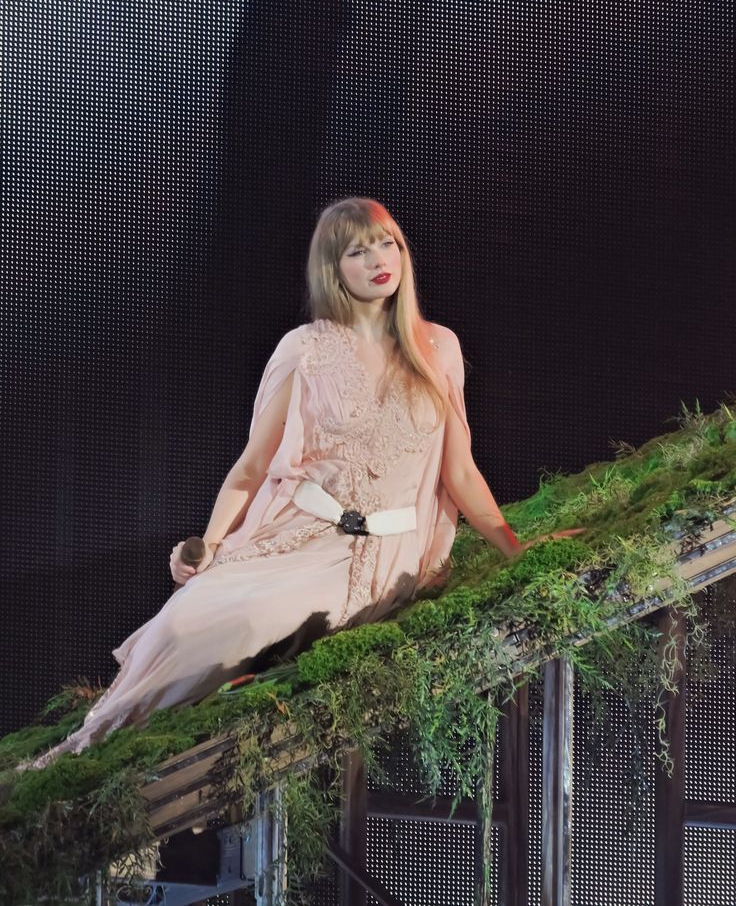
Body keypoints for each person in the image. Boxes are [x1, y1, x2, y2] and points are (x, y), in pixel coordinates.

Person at [17, 196, 583, 772]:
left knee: (243, 622)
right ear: (333, 268)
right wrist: (210, 546)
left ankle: (92, 753)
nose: (378, 259)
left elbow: (459, 470)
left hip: (380, 555)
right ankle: (90, 748)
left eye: (388, 243)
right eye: (358, 251)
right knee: (183, 619)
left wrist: (514, 550)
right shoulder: (305, 349)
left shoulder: (438, 347)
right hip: (299, 531)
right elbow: (252, 465)